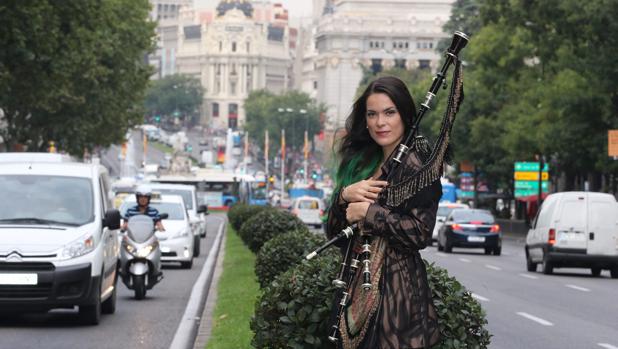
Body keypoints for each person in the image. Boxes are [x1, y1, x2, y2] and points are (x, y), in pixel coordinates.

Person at [326, 76, 441, 348]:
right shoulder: (363, 162)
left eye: (390, 112)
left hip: (397, 295)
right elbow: (334, 233)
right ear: (364, 120)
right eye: (373, 114)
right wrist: (344, 197)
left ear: (405, 115)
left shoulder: (419, 165)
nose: (381, 122)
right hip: (354, 285)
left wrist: (370, 214)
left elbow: (420, 233)